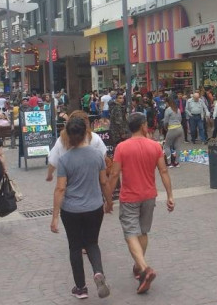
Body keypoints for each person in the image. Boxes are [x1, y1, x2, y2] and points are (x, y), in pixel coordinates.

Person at [106, 113, 175, 295]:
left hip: (129, 196)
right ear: (144, 126)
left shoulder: (122, 147)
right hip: (149, 195)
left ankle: (144, 269)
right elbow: (163, 171)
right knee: (142, 232)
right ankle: (138, 266)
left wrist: (107, 199)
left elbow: (114, 175)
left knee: (130, 233)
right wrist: (169, 195)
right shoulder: (154, 146)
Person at [50, 117, 112, 299]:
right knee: (92, 243)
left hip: (71, 210)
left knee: (75, 247)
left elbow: (60, 188)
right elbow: (104, 181)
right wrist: (109, 202)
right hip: (94, 207)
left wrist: (55, 216)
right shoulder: (97, 155)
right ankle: (98, 272)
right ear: (86, 133)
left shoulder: (64, 159)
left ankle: (81, 287)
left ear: (68, 136)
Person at [46, 111, 108, 182]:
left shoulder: (61, 140)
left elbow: (53, 161)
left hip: (69, 182)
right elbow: (103, 156)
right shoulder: (94, 137)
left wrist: (49, 175)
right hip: (92, 180)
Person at [163, 97, 183, 167]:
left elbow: (165, 121)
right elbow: (180, 119)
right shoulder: (178, 109)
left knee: (167, 146)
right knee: (177, 146)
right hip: (180, 128)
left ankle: (169, 163)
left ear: (168, 103)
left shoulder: (168, 110)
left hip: (172, 129)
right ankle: (177, 162)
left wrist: (165, 127)